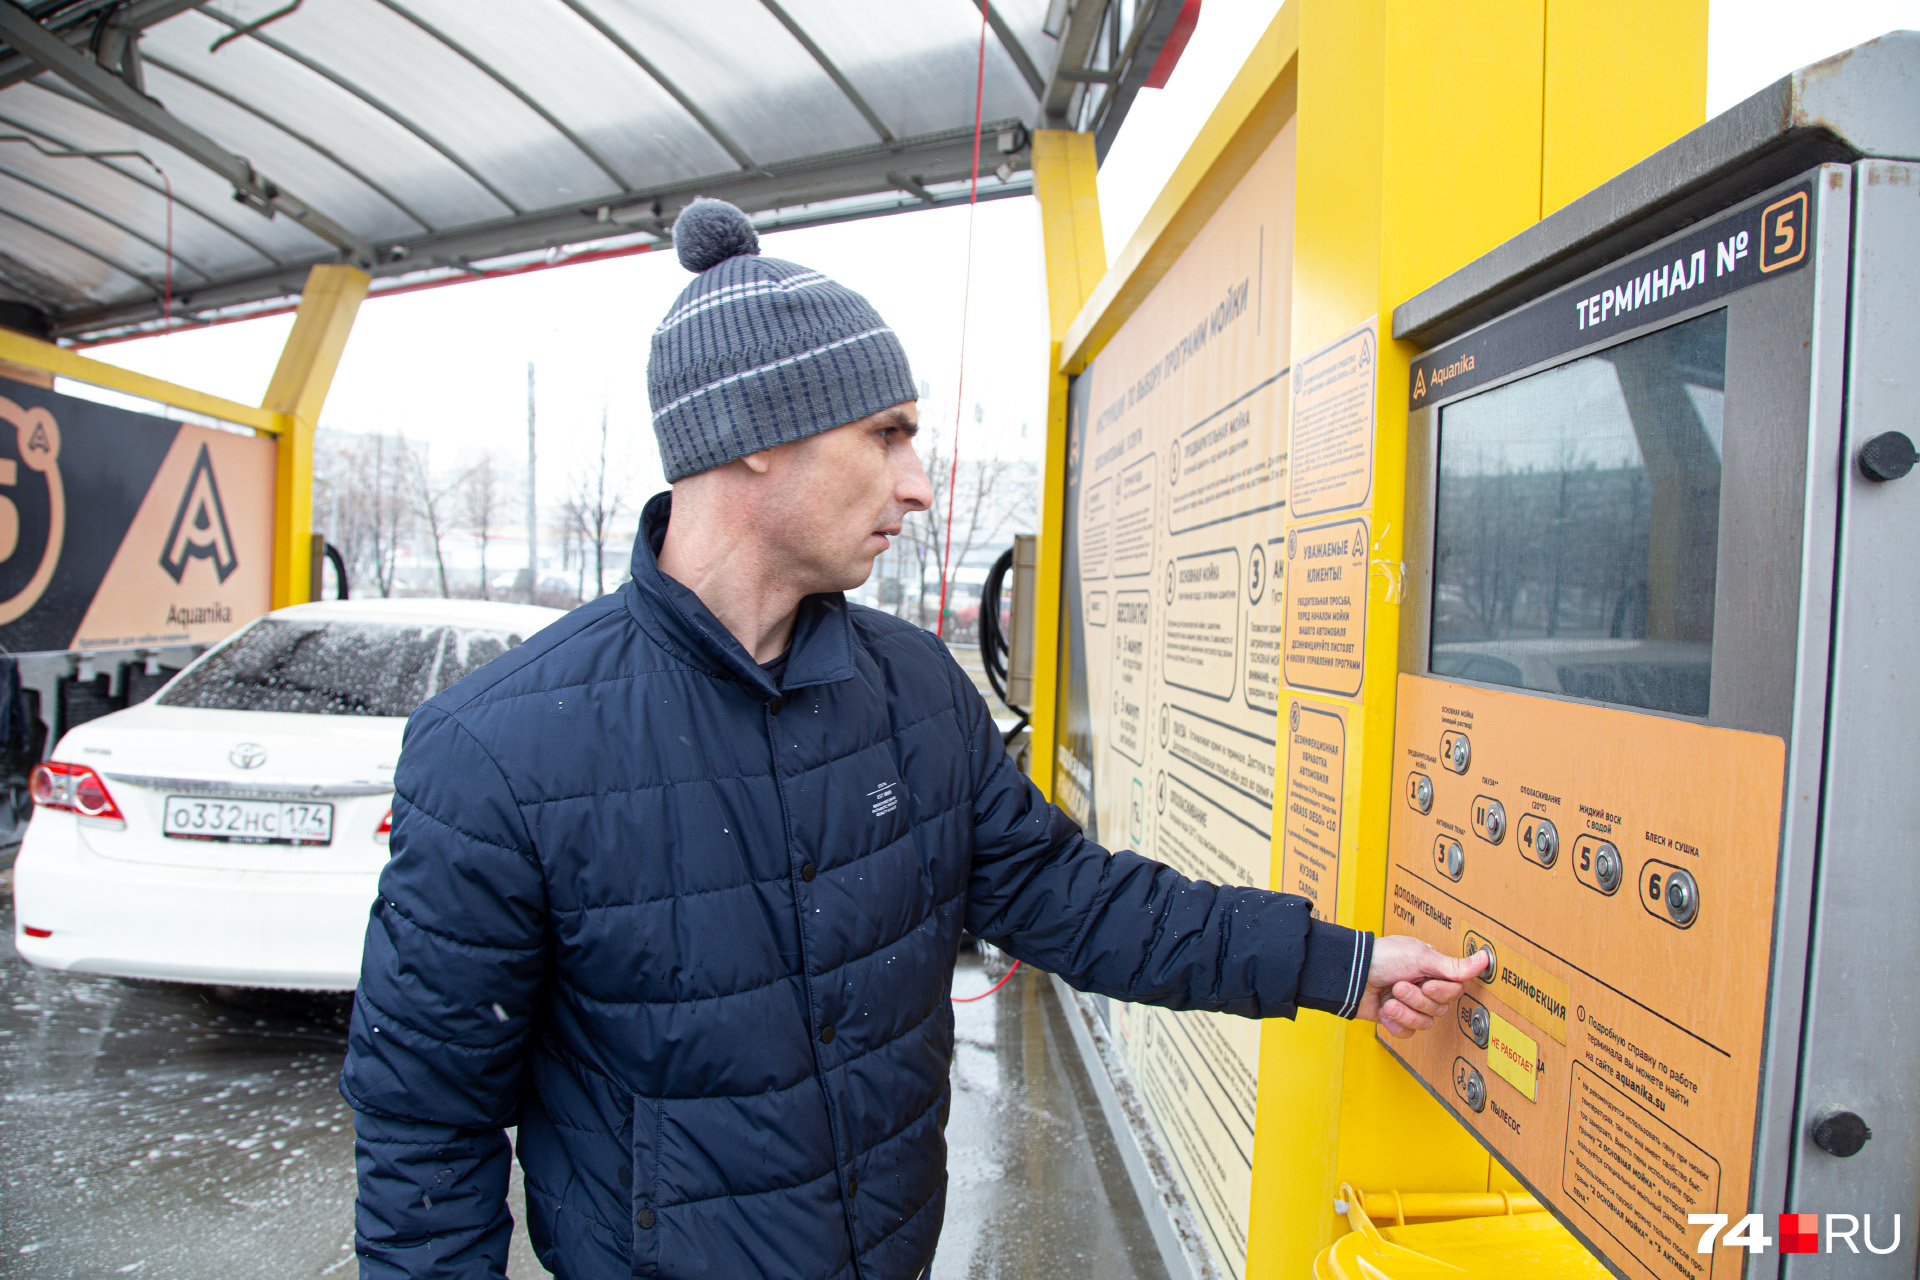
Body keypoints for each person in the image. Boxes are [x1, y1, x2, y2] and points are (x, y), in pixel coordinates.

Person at [341, 198, 1486, 1280]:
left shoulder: (915, 694)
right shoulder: (498, 751)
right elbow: (423, 1129)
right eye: (886, 434)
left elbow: (1081, 901)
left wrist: (1339, 965)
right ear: (753, 435)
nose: (919, 483)